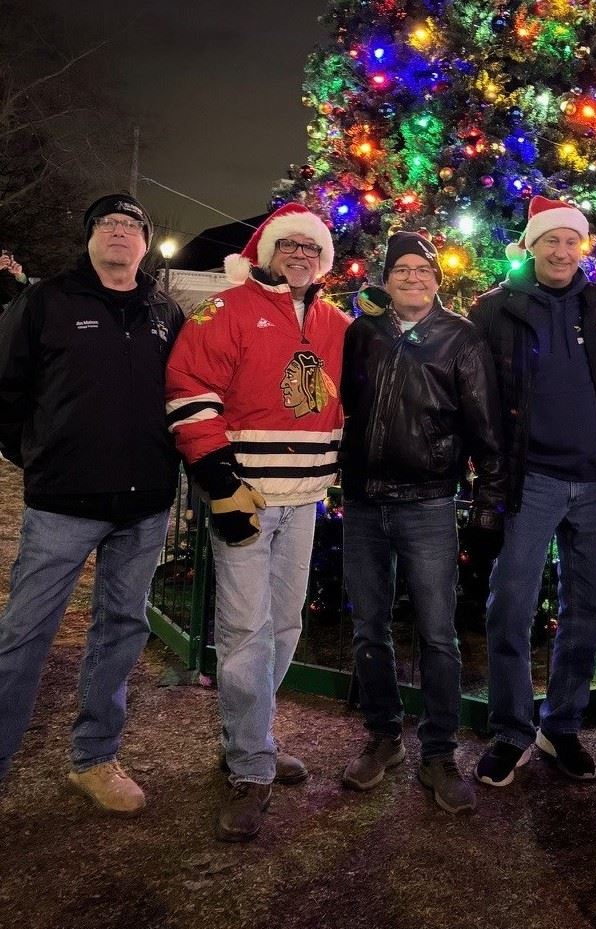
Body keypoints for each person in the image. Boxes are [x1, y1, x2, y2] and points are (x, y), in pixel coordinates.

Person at [165, 203, 350, 842]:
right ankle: (249, 763)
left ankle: (250, 737)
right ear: (268, 252)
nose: (300, 254)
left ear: (323, 259)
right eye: (289, 244)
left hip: (305, 498)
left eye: (311, 247)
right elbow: (189, 389)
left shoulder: (335, 321)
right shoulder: (226, 309)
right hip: (247, 495)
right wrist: (220, 483)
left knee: (286, 622)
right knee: (246, 628)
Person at [0, 194, 183, 813]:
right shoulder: (46, 301)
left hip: (144, 504)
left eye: (132, 225)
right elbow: (6, 388)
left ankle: (95, 757)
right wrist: (37, 453)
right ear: (90, 237)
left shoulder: (164, 311)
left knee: (121, 629)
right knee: (25, 632)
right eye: (108, 223)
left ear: (144, 244)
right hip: (63, 503)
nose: (120, 232)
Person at [339, 230, 507, 815]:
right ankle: (383, 736)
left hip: (428, 504)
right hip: (363, 502)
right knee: (370, 626)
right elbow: (343, 403)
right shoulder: (363, 334)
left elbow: (486, 425)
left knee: (438, 633)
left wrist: (489, 501)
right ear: (386, 280)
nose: (413, 278)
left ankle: (439, 752)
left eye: (423, 270)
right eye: (402, 270)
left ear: (438, 280)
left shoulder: (461, 338)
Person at [470, 196, 596, 786]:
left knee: (590, 607)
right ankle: (511, 731)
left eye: (570, 241)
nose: (562, 251)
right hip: (529, 480)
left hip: (595, 484)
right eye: (550, 240)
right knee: (511, 604)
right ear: (530, 246)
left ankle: (561, 724)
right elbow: (474, 393)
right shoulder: (495, 309)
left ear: (582, 247)